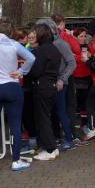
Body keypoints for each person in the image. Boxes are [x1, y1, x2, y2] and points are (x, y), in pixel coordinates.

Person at [0, 20, 35, 172]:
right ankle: (16, 161)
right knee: (15, 124)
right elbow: (31, 58)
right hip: (11, 87)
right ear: (11, 31)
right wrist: (21, 72)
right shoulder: (14, 44)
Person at [36, 17, 79, 150]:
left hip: (60, 83)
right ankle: (54, 139)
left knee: (61, 111)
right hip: (47, 83)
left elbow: (72, 63)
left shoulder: (60, 44)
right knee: (51, 113)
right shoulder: (42, 45)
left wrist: (62, 79)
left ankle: (69, 140)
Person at [29, 24, 63, 161]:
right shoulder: (54, 49)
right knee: (48, 118)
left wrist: (25, 67)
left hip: (42, 87)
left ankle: (50, 149)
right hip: (51, 86)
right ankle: (52, 147)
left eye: (35, 33)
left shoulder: (39, 51)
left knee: (43, 119)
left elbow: (35, 72)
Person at [71, 27, 93, 136]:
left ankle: (84, 125)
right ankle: (71, 128)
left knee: (84, 103)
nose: (84, 38)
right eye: (81, 36)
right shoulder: (71, 47)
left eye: (85, 36)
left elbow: (90, 57)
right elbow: (74, 58)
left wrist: (90, 56)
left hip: (86, 78)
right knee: (74, 104)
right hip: (75, 78)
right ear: (75, 37)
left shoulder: (87, 46)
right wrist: (81, 57)